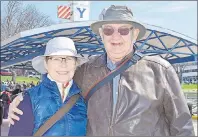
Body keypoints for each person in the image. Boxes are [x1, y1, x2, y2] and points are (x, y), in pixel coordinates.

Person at [8, 5, 194, 136]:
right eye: (108, 30)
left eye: (123, 30)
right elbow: (58, 80)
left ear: (134, 34)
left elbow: (182, 125)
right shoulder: (85, 70)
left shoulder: (159, 70)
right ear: (100, 35)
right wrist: (23, 99)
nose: (116, 37)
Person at [8, 37, 87, 136]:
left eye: (69, 58)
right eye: (56, 59)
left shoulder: (83, 100)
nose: (63, 64)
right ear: (46, 63)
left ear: (75, 64)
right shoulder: (28, 99)